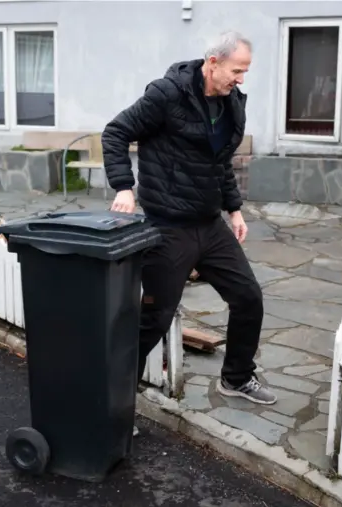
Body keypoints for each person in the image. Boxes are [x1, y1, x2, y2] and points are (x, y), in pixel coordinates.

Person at [101, 32, 277, 415]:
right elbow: (116, 132)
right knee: (154, 317)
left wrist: (234, 209)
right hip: (167, 225)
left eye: (245, 71)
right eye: (236, 70)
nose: (241, 79)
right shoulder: (167, 94)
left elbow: (220, 161)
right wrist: (124, 187)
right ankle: (111, 399)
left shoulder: (231, 102)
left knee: (248, 297)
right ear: (212, 62)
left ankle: (236, 377)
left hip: (209, 224)